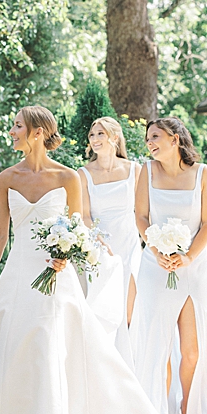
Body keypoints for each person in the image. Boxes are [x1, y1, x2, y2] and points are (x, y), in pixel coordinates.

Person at [0, 105, 189, 414]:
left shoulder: (68, 177)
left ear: (37, 133)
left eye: (17, 126)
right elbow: (0, 234)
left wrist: (73, 251)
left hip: (56, 275)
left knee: (49, 343)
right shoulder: (7, 176)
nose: (11, 131)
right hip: (17, 277)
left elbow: (79, 223)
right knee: (8, 353)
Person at [130, 117, 207, 414]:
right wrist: (155, 249)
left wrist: (189, 256)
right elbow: (140, 215)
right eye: (147, 138)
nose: (149, 143)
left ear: (176, 138)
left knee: (192, 350)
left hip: (193, 269)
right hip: (155, 267)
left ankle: (186, 411)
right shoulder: (146, 172)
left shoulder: (202, 173)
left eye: (155, 137)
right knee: (158, 346)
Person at [78, 117, 141, 370]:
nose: (94, 139)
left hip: (129, 245)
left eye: (100, 134)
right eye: (92, 135)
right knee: (103, 310)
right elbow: (84, 214)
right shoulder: (83, 173)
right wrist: (98, 240)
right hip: (99, 248)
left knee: (130, 312)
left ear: (115, 138)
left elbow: (144, 211)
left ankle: (132, 368)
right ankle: (106, 368)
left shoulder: (135, 170)